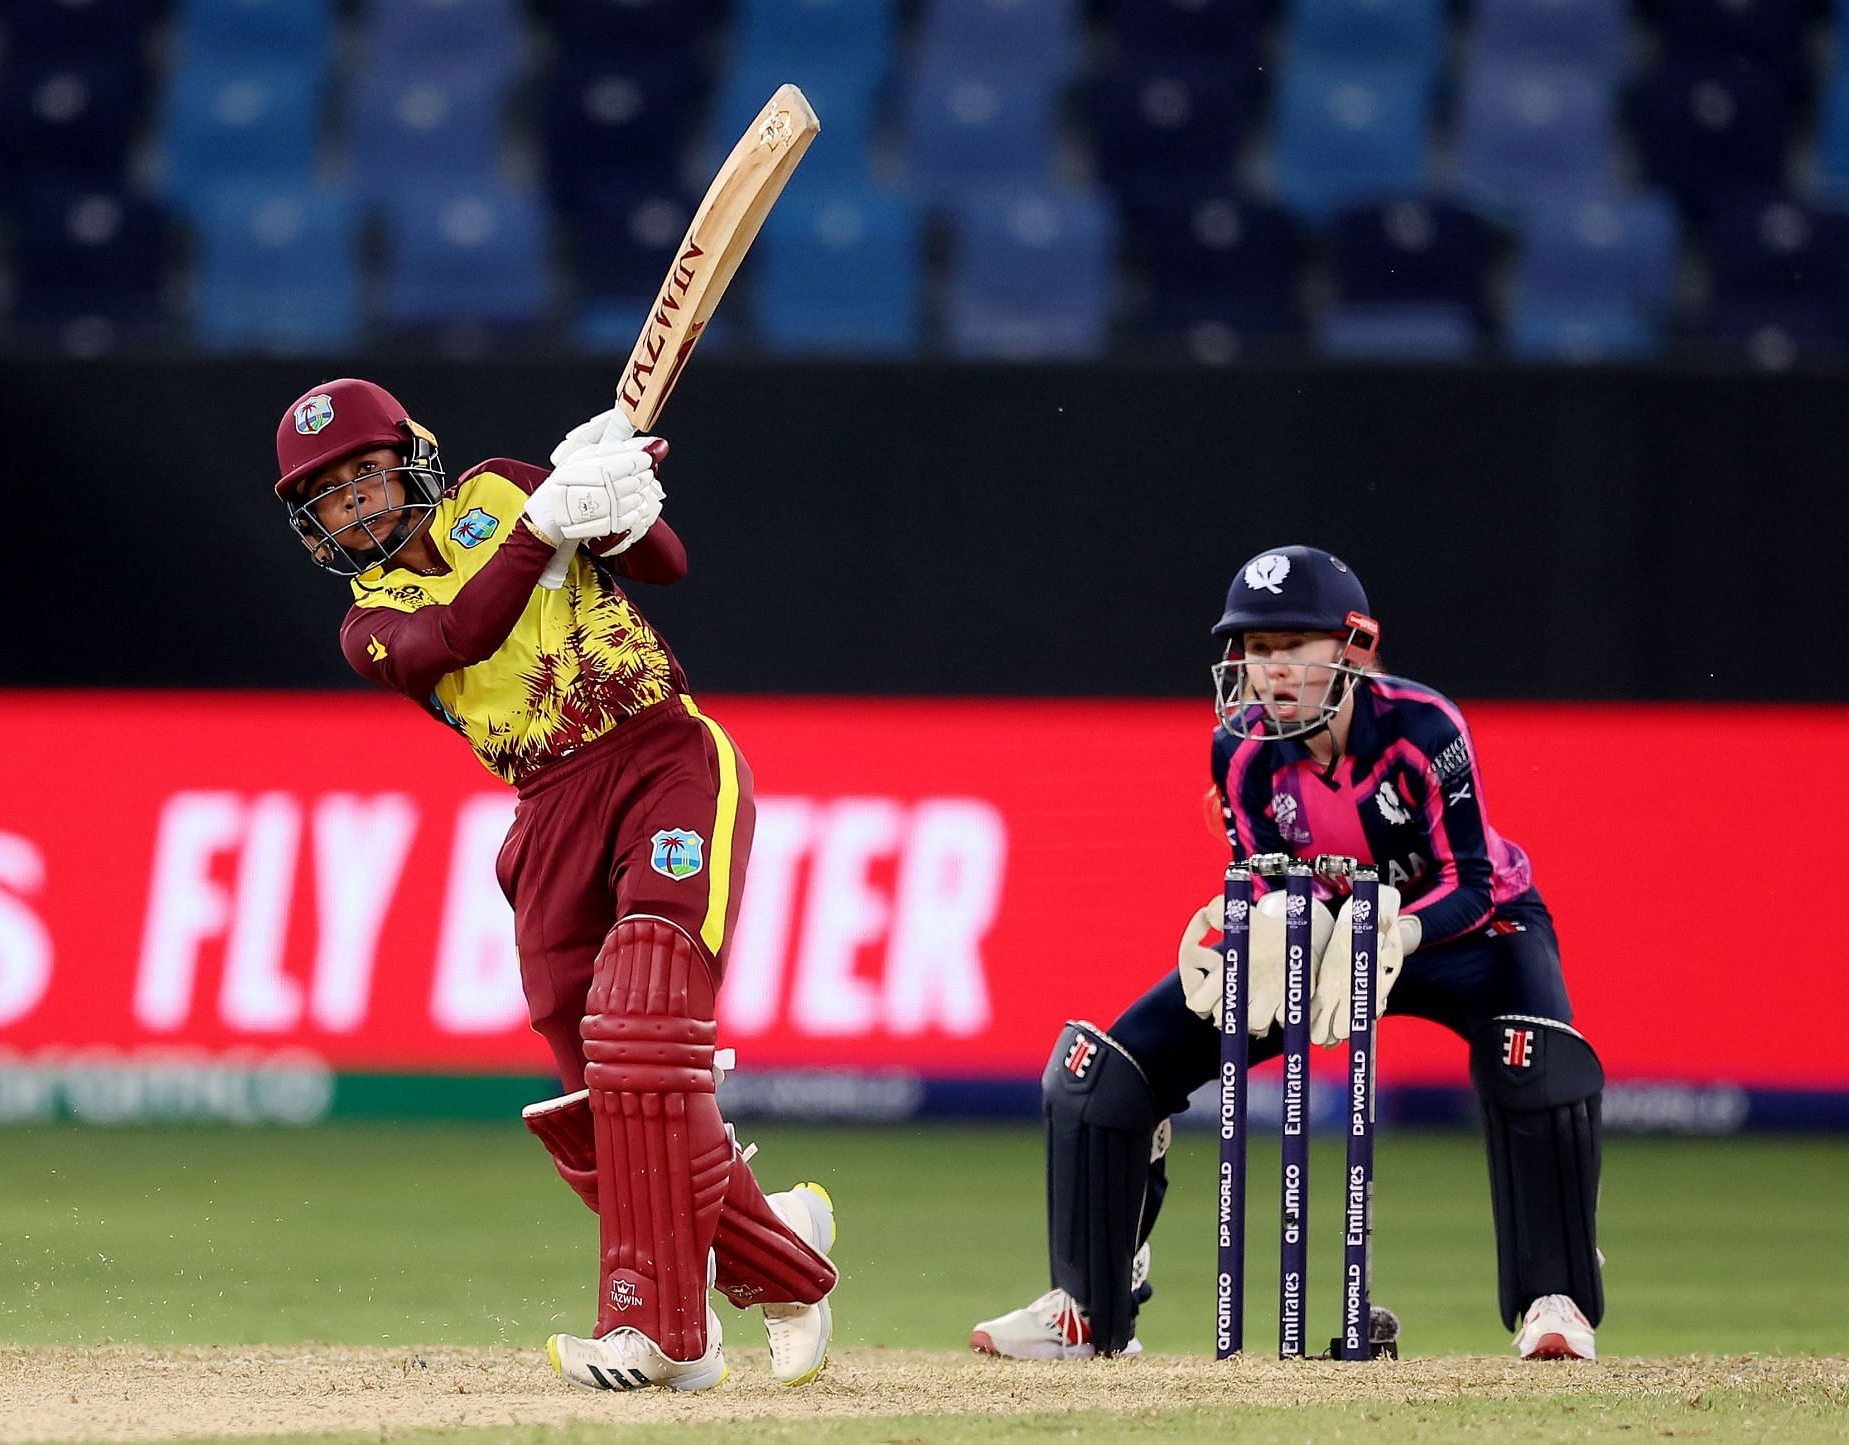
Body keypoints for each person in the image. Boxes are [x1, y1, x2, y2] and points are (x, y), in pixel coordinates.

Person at [272, 377, 838, 1393]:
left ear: (413, 458)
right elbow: (458, 637)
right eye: (333, 494)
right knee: (597, 1099)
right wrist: (546, 525)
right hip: (548, 814)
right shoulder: (370, 620)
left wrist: (622, 507)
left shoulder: (499, 489)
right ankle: (782, 1248)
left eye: (367, 472)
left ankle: (661, 1330)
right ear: (316, 524)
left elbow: (665, 565)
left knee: (648, 1014)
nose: (358, 500)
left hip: (665, 756)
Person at [971, 544, 1605, 1362]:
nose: (1269, 671)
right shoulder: (1238, 750)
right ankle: (1090, 1305)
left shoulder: (1423, 727)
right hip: (1326, 936)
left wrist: (1398, 931)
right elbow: (1269, 876)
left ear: (1351, 648)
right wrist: (1244, 923)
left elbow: (1473, 882)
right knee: (1107, 1071)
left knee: (1535, 1063)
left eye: (1291, 648)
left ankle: (1554, 1297)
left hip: (1465, 932)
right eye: (1256, 650)